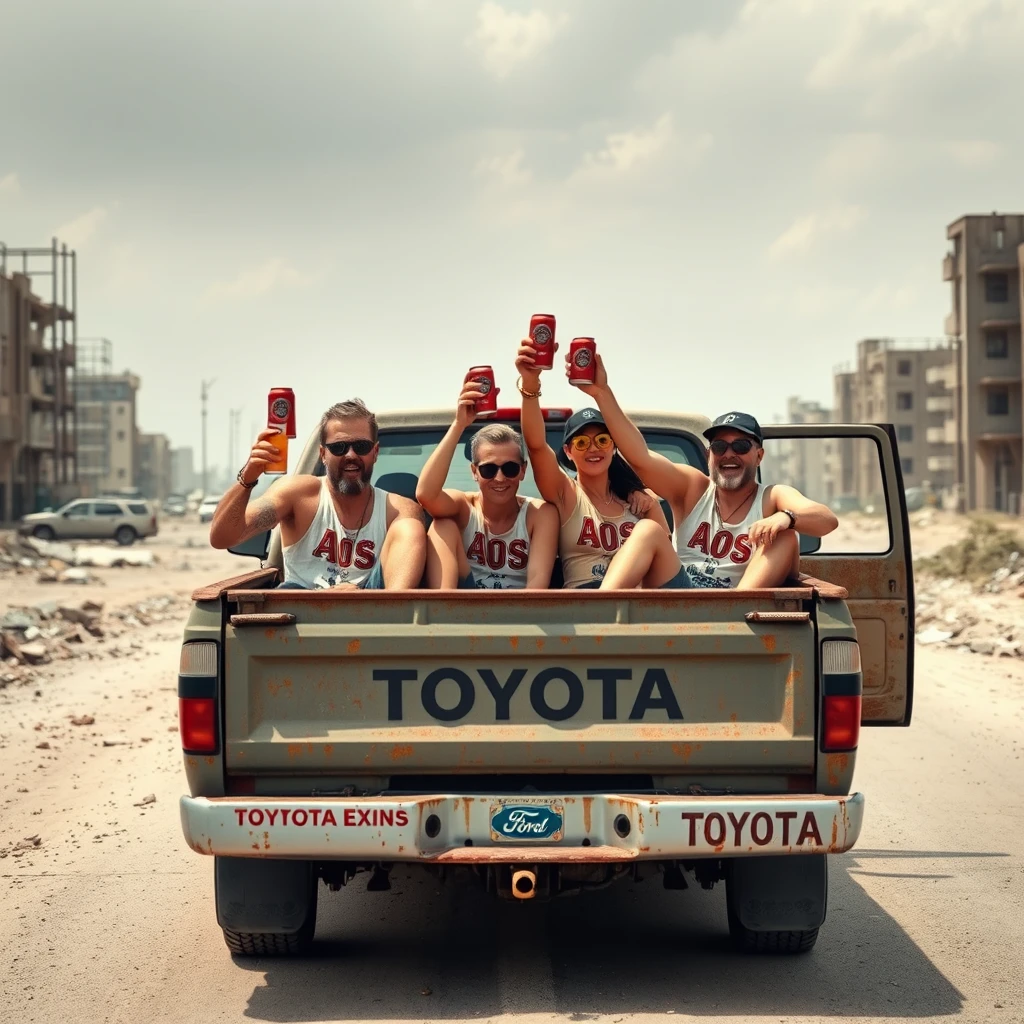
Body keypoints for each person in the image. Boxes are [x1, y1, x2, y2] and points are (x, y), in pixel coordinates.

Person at [567, 355, 839, 589]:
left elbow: (826, 520)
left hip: (738, 604)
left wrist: (784, 518)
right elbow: (640, 458)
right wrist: (601, 393)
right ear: (709, 455)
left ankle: (732, 622)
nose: (729, 454)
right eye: (719, 446)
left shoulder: (772, 497)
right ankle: (600, 613)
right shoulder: (693, 489)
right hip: (682, 593)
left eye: (741, 446)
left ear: (759, 455)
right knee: (649, 529)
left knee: (786, 537)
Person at [515, 340, 688, 589]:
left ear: (615, 445)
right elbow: (536, 446)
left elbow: (663, 562)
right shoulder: (566, 495)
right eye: (583, 442)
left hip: (642, 605)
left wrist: (646, 502)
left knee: (650, 531)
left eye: (603, 440)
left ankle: (607, 607)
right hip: (587, 600)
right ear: (568, 451)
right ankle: (604, 608)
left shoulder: (642, 501)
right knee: (649, 530)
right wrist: (530, 383)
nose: (594, 448)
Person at [209, 398, 427, 590]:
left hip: (374, 610)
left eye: (361, 446)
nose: (351, 455)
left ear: (375, 452)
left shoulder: (400, 511)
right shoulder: (298, 495)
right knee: (287, 593)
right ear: (323, 454)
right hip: (302, 609)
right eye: (339, 447)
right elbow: (222, 538)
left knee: (411, 527)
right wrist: (247, 478)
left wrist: (360, 595)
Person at [416, 377, 559, 589]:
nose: (500, 478)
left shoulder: (539, 514)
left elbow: (536, 588)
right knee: (442, 525)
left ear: (523, 470)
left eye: (509, 468)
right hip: (463, 606)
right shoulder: (464, 507)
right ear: (474, 472)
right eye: (488, 469)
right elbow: (426, 495)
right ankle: (442, 613)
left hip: (520, 610)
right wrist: (458, 425)